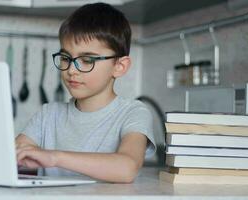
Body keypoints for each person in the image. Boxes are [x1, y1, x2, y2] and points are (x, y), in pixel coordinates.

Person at [15, 2, 156, 183]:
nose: (72, 70)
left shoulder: (133, 113)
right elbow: (13, 155)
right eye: (66, 58)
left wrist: (54, 157)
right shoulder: (48, 115)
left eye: (87, 60)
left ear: (119, 66)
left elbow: (127, 168)